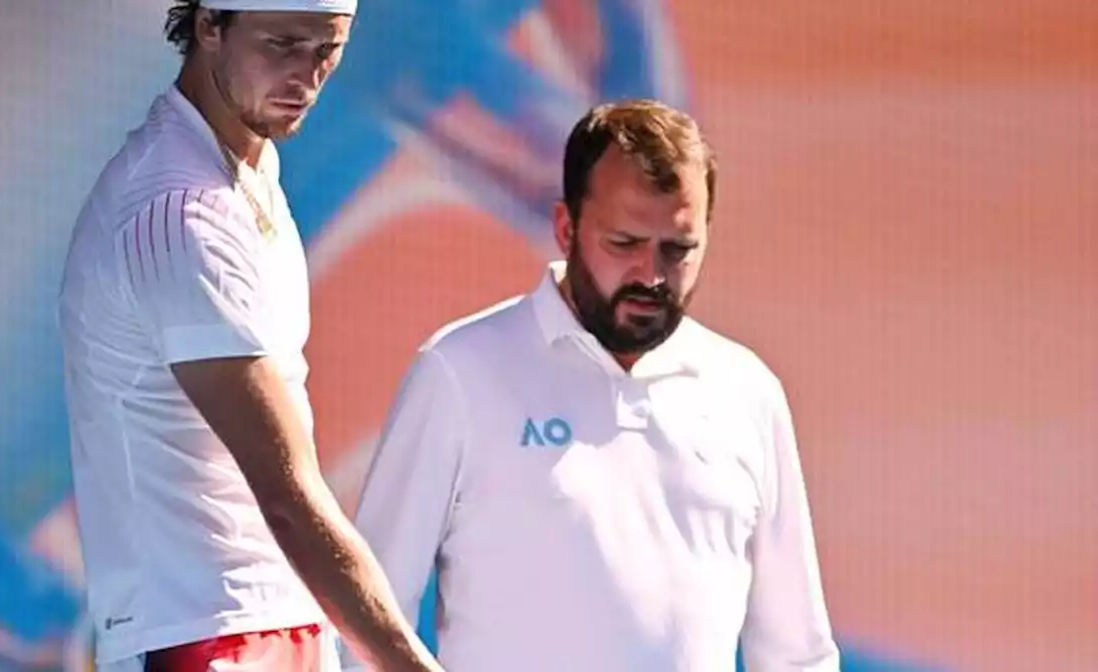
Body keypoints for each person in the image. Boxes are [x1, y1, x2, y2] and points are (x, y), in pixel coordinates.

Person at [346, 100, 841, 671]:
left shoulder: (746, 390)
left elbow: (796, 651)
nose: (650, 276)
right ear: (566, 228)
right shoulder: (460, 372)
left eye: (677, 249)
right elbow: (368, 617)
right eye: (624, 243)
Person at [56, 2, 441, 670]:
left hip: (272, 615)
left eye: (327, 50)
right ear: (209, 26)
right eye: (282, 45)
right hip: (200, 633)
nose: (306, 76)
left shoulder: (245, 168)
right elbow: (287, 498)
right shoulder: (180, 216)